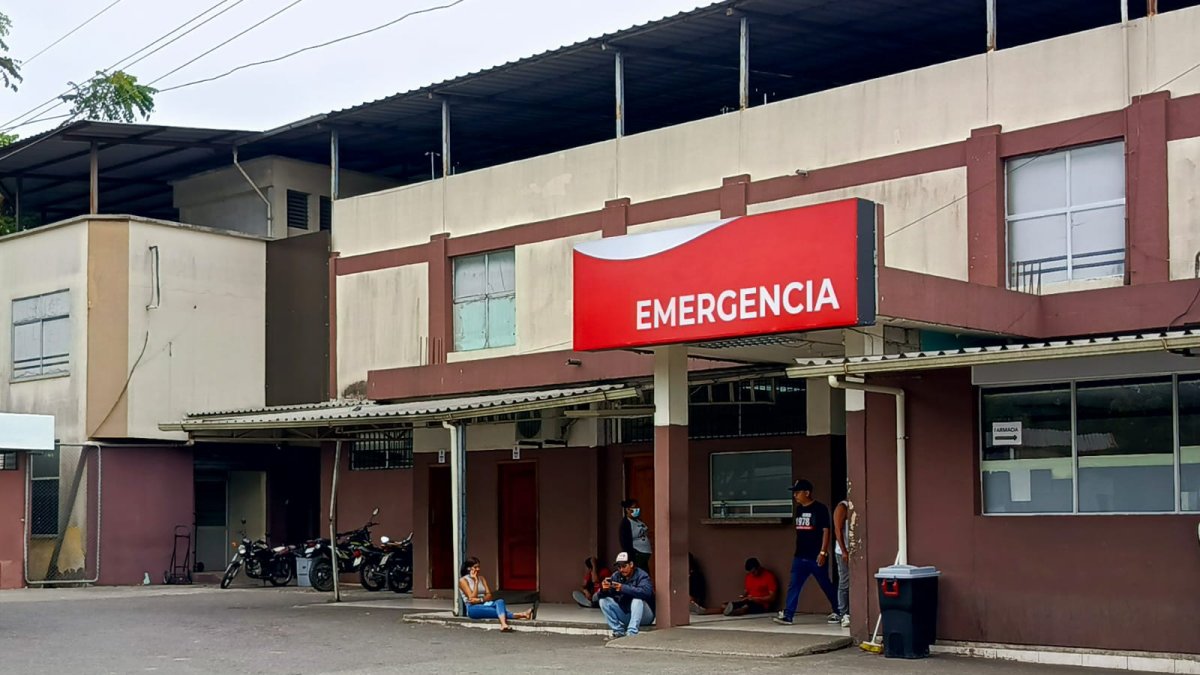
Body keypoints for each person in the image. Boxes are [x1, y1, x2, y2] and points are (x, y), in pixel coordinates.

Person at [773, 479, 839, 626]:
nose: (795, 495)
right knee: (794, 584)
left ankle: (839, 610)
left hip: (815, 555)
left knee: (825, 584)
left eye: (797, 492)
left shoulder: (820, 509)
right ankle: (788, 615)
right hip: (800, 555)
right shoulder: (799, 509)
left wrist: (823, 552)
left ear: (807, 493)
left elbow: (826, 531)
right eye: (794, 493)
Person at [458, 557, 534, 632]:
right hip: (473, 608)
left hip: (485, 604)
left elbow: (489, 595)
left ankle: (522, 615)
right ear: (469, 569)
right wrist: (476, 582)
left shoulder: (482, 578)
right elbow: (471, 598)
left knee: (500, 601)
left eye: (479, 567)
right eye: (475, 567)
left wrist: (480, 599)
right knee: (498, 611)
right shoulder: (463, 581)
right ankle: (506, 623)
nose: (478, 569)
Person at [597, 551, 655, 638]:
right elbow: (601, 596)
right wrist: (604, 590)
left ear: (631, 564)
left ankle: (632, 633)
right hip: (626, 613)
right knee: (603, 601)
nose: (621, 570)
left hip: (645, 615)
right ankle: (618, 631)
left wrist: (623, 588)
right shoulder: (616, 576)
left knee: (637, 600)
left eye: (624, 566)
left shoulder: (642, 575)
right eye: (619, 567)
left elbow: (646, 592)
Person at [700, 557, 778, 616]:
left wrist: (756, 598)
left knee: (745, 607)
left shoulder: (768, 576)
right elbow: (747, 590)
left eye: (754, 571)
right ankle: (705, 611)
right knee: (725, 605)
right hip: (748, 600)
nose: (753, 574)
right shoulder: (749, 577)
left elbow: (772, 597)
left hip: (762, 605)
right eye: (751, 572)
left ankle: (732, 612)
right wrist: (743, 595)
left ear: (758, 567)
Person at [833, 494, 852, 628]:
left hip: (854, 550)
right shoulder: (842, 507)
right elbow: (838, 530)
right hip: (842, 551)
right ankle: (843, 612)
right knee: (844, 581)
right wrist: (844, 551)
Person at [618, 499, 652, 573]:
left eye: (638, 507)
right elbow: (625, 542)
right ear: (627, 509)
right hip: (636, 555)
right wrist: (632, 556)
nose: (637, 510)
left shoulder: (638, 521)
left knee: (645, 575)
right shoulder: (626, 523)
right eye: (634, 508)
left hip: (644, 555)